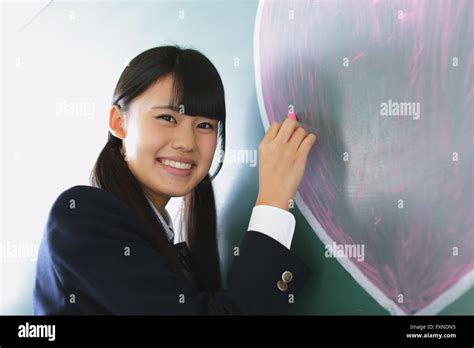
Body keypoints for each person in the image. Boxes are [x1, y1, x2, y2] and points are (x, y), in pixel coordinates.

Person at [33, 45, 317, 315]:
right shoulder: (82, 215)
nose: (186, 142)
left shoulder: (164, 240)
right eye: (167, 118)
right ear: (118, 123)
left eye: (204, 125)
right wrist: (273, 201)